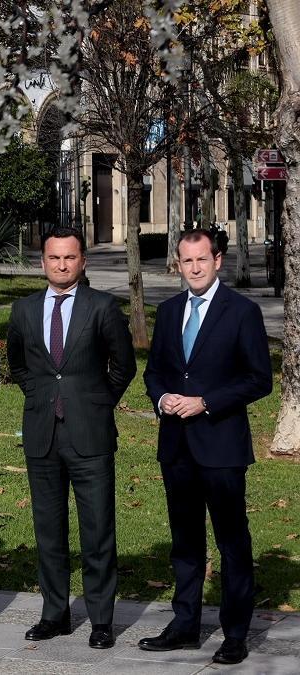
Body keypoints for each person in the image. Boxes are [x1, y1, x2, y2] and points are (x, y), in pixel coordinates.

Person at [139, 229, 271, 665]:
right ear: (177, 264)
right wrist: (162, 398)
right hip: (176, 446)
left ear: (217, 260)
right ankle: (185, 625)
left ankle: (235, 634)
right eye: (186, 261)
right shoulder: (169, 311)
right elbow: (154, 371)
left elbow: (259, 379)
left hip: (221, 446)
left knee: (232, 542)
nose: (194, 268)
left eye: (201, 259)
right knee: (185, 542)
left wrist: (206, 402)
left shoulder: (243, 311)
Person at [7, 226, 135, 650]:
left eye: (69, 257)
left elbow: (124, 366)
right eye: (54, 257)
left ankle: (101, 619)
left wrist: (97, 403)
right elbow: (18, 365)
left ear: (82, 262)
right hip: (42, 435)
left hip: (89, 435)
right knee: (49, 530)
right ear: (42, 262)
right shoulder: (24, 309)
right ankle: (54, 613)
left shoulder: (102, 307)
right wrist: (40, 395)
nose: (61, 265)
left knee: (97, 530)